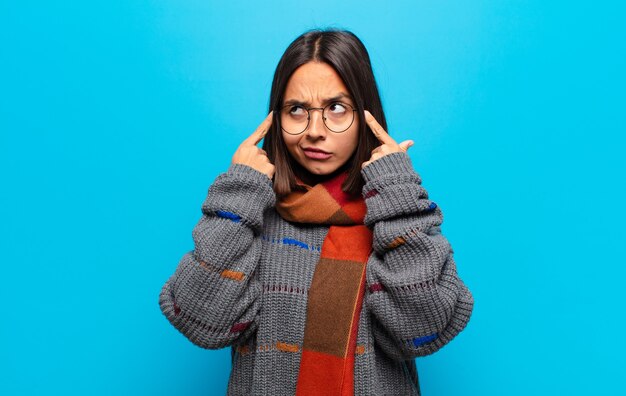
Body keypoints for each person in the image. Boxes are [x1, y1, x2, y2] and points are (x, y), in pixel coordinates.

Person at [158, 28, 474, 396]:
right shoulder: (251, 212)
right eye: (297, 110)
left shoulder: (393, 210)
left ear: (366, 113)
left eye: (336, 109)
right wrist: (239, 192)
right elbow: (201, 322)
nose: (314, 132)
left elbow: (422, 331)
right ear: (276, 117)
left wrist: (397, 193)